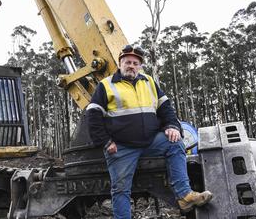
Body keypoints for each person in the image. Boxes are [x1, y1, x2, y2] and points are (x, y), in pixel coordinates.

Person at [87, 44, 212, 218]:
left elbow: (165, 108)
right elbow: (92, 115)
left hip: (151, 141)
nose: (131, 65)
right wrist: (105, 141)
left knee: (175, 143)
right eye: (127, 62)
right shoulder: (106, 85)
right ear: (120, 63)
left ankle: (185, 196)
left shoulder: (148, 82)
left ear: (140, 66)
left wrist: (172, 126)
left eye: (135, 63)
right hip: (122, 147)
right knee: (121, 189)